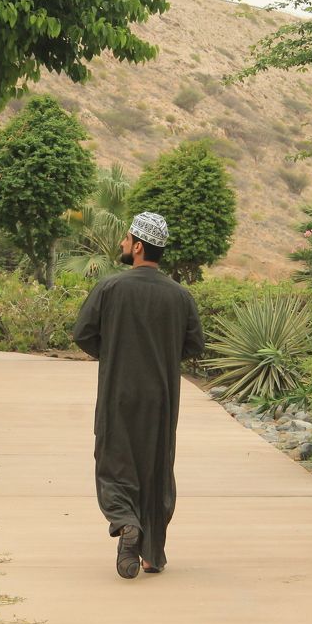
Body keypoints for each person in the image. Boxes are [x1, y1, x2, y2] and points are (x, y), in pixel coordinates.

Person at [72, 211, 205, 579]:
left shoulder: (110, 288)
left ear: (139, 246)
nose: (122, 243)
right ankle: (152, 555)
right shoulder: (179, 295)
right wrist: (161, 353)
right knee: (156, 468)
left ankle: (125, 521)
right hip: (161, 398)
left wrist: (115, 351)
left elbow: (83, 333)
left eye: (126, 238)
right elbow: (194, 344)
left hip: (118, 393)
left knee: (115, 462)